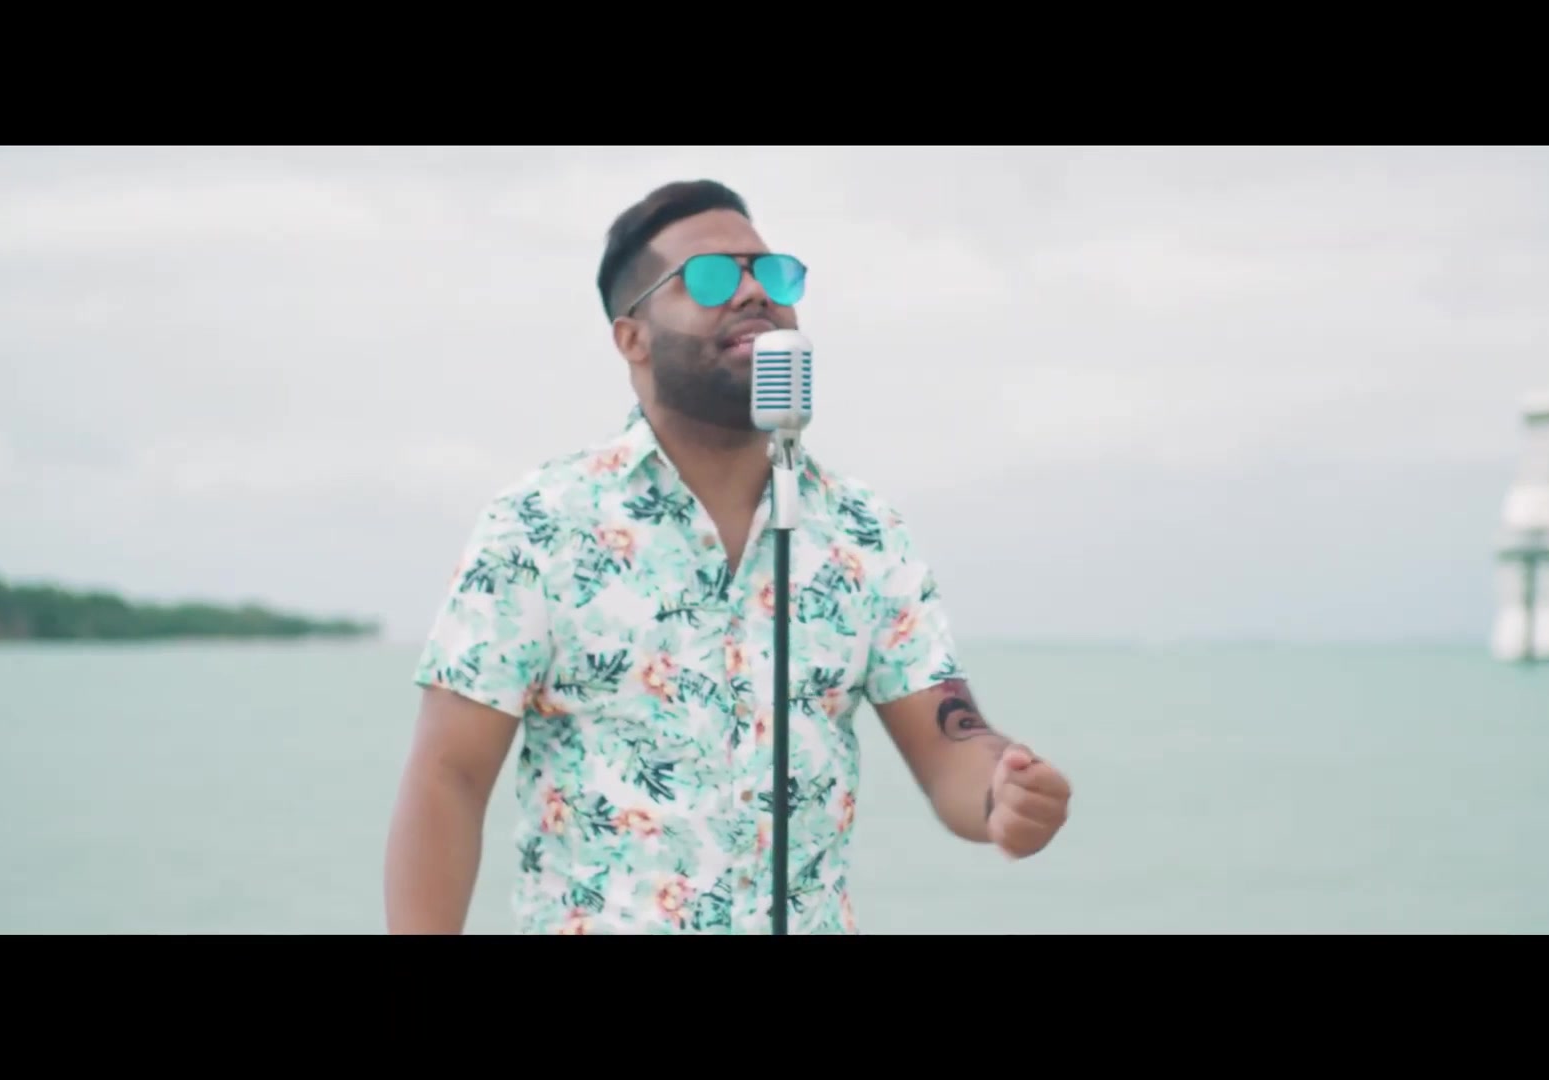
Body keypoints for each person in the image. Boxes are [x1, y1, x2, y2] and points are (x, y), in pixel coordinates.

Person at [382, 179, 1072, 935]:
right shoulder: (538, 525)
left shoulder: (863, 530)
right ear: (632, 338)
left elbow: (947, 745)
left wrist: (1004, 792)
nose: (753, 292)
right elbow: (449, 776)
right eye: (710, 277)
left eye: (771, 273)